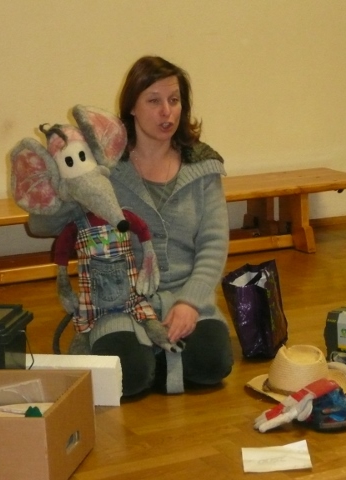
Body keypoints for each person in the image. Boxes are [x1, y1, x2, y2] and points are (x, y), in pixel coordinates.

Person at [28, 55, 233, 396]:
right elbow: (41, 225)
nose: (166, 112)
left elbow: (214, 244)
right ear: (132, 108)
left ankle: (159, 351)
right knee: (130, 380)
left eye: (174, 100)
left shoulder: (203, 164)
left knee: (212, 367)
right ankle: (139, 350)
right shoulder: (103, 166)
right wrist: (62, 186)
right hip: (119, 301)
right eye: (154, 101)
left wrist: (190, 303)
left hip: (184, 294)